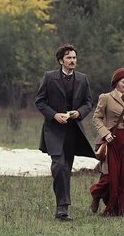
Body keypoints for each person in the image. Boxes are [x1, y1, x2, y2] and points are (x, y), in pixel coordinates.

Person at [34, 45, 94, 221]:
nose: (73, 60)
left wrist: (80, 113)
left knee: (66, 169)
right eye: (69, 58)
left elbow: (89, 102)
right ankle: (62, 208)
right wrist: (54, 115)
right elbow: (40, 101)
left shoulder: (83, 79)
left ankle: (62, 208)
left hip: (73, 131)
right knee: (59, 166)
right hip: (53, 130)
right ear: (61, 60)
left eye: (74, 57)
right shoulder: (49, 77)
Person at [89, 67, 124, 216]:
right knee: (109, 176)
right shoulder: (106, 97)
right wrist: (105, 133)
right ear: (116, 83)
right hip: (111, 141)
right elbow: (96, 118)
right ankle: (96, 194)